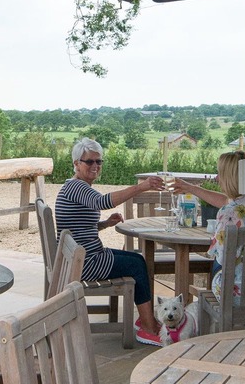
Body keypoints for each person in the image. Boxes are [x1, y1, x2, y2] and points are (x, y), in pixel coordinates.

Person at [55, 138, 166, 346]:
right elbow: (102, 201)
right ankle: (148, 328)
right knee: (137, 265)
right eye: (89, 162)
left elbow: (78, 227)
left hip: (81, 258)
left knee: (138, 259)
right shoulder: (77, 187)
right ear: (76, 163)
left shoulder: (74, 187)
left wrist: (105, 224)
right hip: (84, 265)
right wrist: (141, 187)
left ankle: (145, 320)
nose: (95, 166)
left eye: (99, 162)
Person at [175, 151, 245, 302]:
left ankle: (208, 316)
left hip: (241, 293)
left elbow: (222, 257)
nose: (217, 178)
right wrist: (191, 188)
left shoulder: (228, 214)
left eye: (220, 173)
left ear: (229, 177)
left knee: (217, 264)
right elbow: (229, 202)